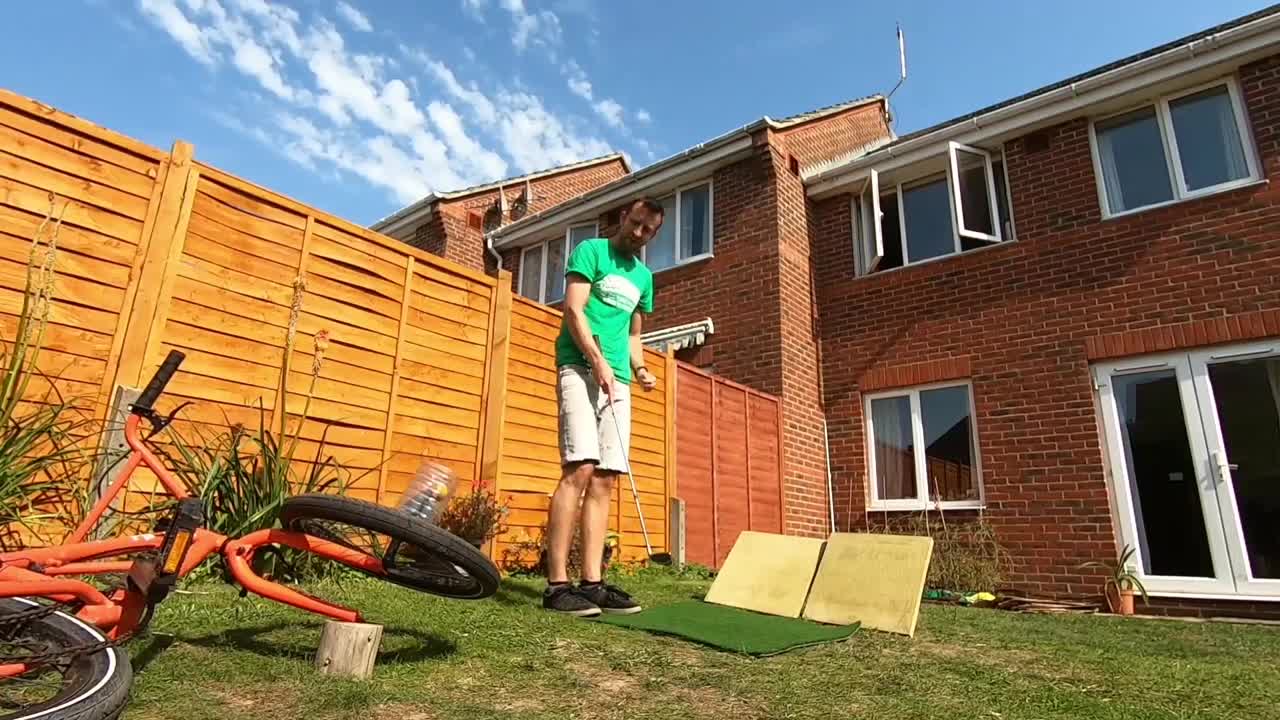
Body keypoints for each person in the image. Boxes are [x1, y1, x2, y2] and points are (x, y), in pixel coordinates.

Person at [542, 197, 663, 617]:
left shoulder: (644, 278)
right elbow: (573, 311)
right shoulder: (591, 252)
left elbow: (632, 334)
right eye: (635, 223)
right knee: (579, 468)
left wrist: (640, 368)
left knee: (606, 478)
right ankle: (557, 586)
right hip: (579, 367)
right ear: (623, 217)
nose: (639, 233)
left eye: (648, 230)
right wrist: (597, 363)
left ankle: (592, 584)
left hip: (619, 381)